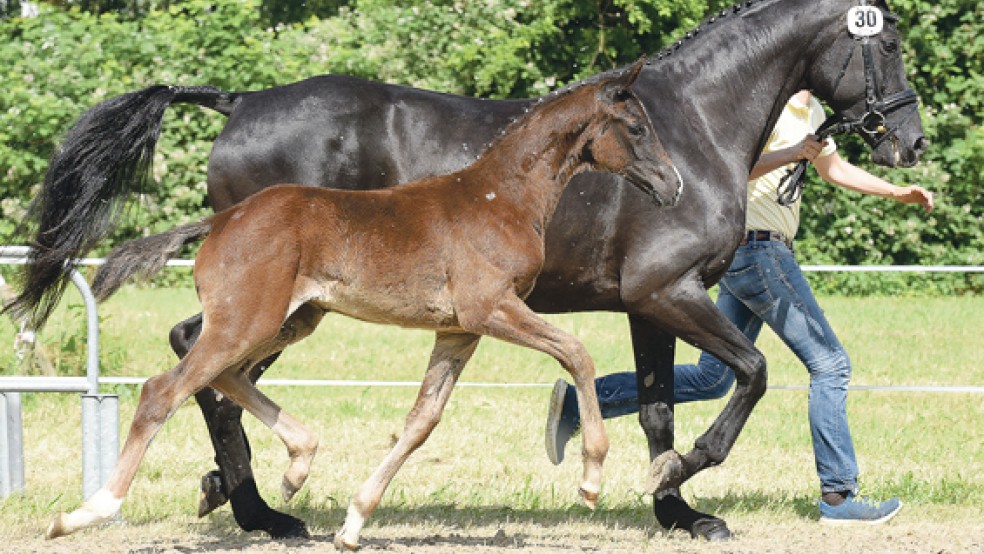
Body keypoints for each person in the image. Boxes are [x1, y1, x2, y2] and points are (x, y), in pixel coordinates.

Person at [544, 90, 934, 524]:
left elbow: (834, 168)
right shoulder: (763, 102)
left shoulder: (813, 110)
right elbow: (727, 171)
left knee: (713, 377)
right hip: (758, 250)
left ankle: (586, 404)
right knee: (831, 365)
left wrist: (898, 192)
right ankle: (838, 497)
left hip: (756, 255)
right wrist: (790, 152)